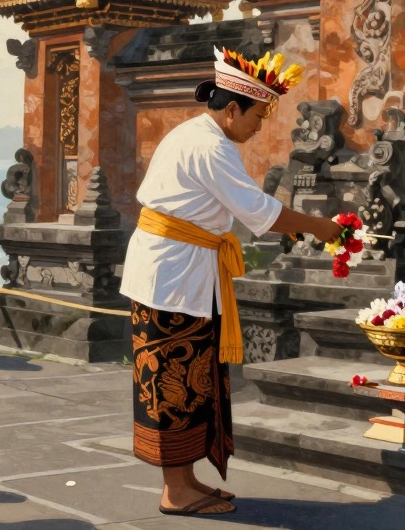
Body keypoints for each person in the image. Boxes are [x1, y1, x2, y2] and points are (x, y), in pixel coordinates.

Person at [123, 48, 341, 516]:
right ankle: (175, 490)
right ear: (231, 110)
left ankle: (185, 481)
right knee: (172, 382)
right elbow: (260, 212)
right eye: (257, 117)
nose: (259, 127)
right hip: (172, 276)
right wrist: (319, 226)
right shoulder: (210, 146)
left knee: (193, 379)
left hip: (185, 270)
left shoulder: (196, 134)